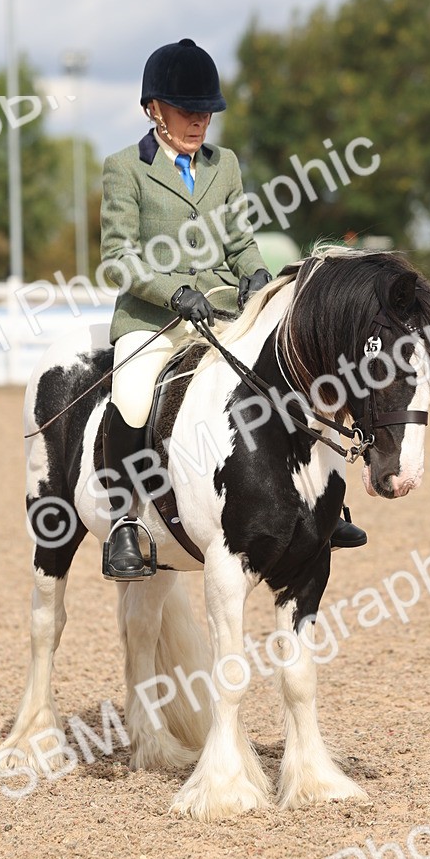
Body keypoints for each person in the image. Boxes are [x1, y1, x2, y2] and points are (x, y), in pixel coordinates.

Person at [99, 38, 365, 581]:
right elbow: (117, 259)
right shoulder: (125, 168)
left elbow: (241, 239)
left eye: (206, 112)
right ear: (155, 109)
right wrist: (173, 292)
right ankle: (126, 521)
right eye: (187, 111)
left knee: (293, 377)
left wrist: (259, 278)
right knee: (130, 396)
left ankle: (322, 504)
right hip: (155, 321)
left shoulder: (225, 166)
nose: (200, 122)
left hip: (223, 311)